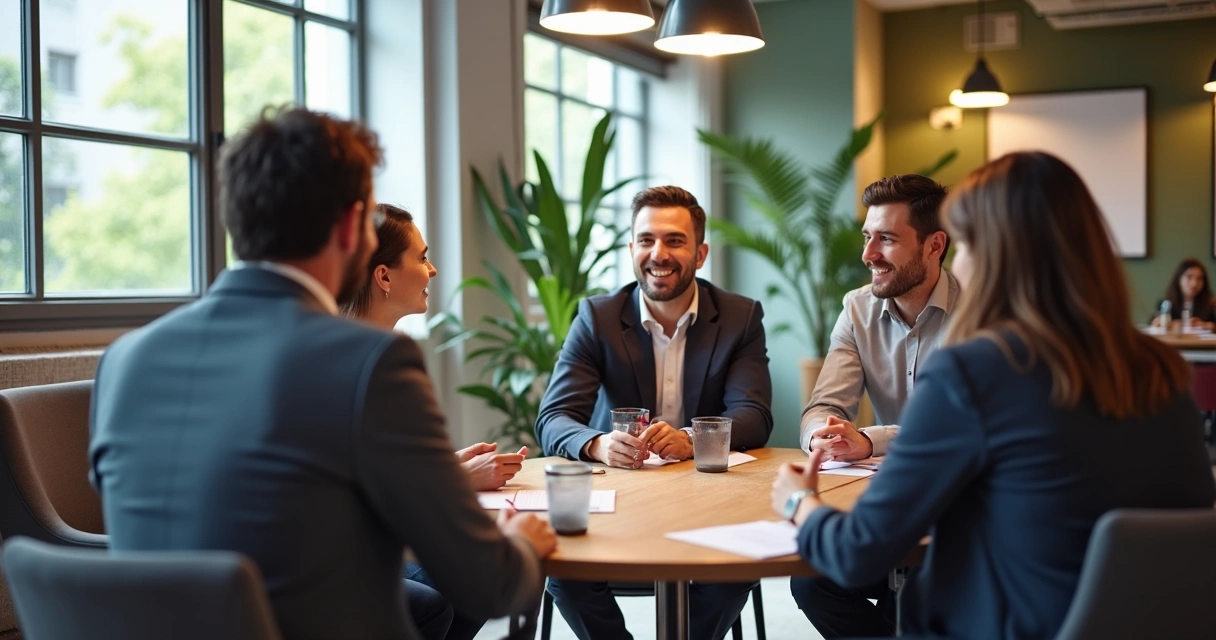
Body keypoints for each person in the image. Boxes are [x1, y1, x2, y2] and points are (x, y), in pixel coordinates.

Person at [89, 107, 556, 640]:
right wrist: (525, 544)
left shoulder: (125, 359)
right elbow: (488, 584)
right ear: (349, 228)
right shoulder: (369, 361)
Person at [772, 151, 1216, 640]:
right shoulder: (1163, 371)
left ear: (996, 255)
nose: (959, 261)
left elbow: (857, 552)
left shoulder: (977, 370)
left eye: (966, 245)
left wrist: (800, 504)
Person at [535, 185, 773, 640]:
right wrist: (598, 442)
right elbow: (555, 417)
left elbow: (754, 414)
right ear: (631, 249)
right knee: (565, 573)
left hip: (710, 501)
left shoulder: (741, 317)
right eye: (645, 240)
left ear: (700, 253)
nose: (657, 254)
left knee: (735, 569)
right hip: (622, 502)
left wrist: (692, 437)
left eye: (674, 241)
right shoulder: (597, 317)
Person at [340, 203, 526, 640]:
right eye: (422, 258)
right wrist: (457, 480)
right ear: (384, 277)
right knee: (470, 581)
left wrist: (450, 467)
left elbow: (375, 471)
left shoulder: (386, 346)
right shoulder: (365, 360)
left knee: (470, 579)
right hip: (334, 560)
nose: (434, 270)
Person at [791, 174, 952, 638]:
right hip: (885, 504)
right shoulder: (856, 309)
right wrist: (819, 436)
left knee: (920, 593)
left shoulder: (977, 313)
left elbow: (952, 431)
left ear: (933, 245)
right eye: (867, 236)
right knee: (811, 580)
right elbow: (823, 404)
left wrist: (869, 440)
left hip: (955, 514)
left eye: (887, 239)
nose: (868, 255)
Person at [1150, 257, 1216, 331]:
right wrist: (1162, 322)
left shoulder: (1211, 303)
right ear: (1179, 279)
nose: (1194, 283)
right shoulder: (1167, 303)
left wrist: (1205, 325)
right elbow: (1153, 322)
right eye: (1189, 277)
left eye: (1199, 278)